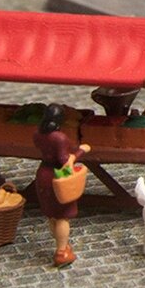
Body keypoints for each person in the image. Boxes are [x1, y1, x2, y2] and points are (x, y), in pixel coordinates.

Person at [33, 104, 88, 267]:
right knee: (62, 215)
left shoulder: (37, 134)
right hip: (57, 175)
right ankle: (61, 251)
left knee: (51, 214)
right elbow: (65, 162)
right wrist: (81, 151)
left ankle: (62, 243)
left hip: (43, 173)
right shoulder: (59, 138)